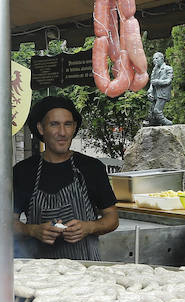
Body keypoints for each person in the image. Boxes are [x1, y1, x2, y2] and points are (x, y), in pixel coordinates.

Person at [13, 95, 118, 260]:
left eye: (68, 124)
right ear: (41, 128)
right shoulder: (23, 171)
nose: (62, 132)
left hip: (87, 270)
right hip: (38, 273)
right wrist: (33, 230)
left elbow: (112, 218)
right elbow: (6, 224)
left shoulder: (92, 168)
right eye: (54, 124)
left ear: (74, 127)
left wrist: (89, 227)